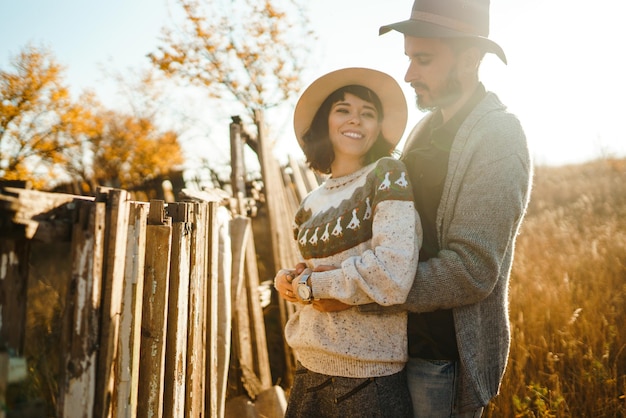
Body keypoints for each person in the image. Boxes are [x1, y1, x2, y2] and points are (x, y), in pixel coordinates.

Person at [282, 1, 534, 416]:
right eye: (409, 58)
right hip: (388, 348)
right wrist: (316, 276)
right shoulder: (425, 128)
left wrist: (355, 295)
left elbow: (471, 270)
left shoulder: (499, 138)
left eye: (424, 59)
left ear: (470, 59)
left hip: (441, 357)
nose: (409, 74)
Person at [273, 67, 422, 417]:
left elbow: (393, 273)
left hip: (367, 381)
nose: (355, 119)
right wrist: (291, 280)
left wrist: (315, 285)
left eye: (367, 113)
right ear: (326, 120)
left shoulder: (386, 175)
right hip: (308, 369)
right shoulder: (310, 201)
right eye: (343, 109)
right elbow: (314, 277)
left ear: (378, 128)